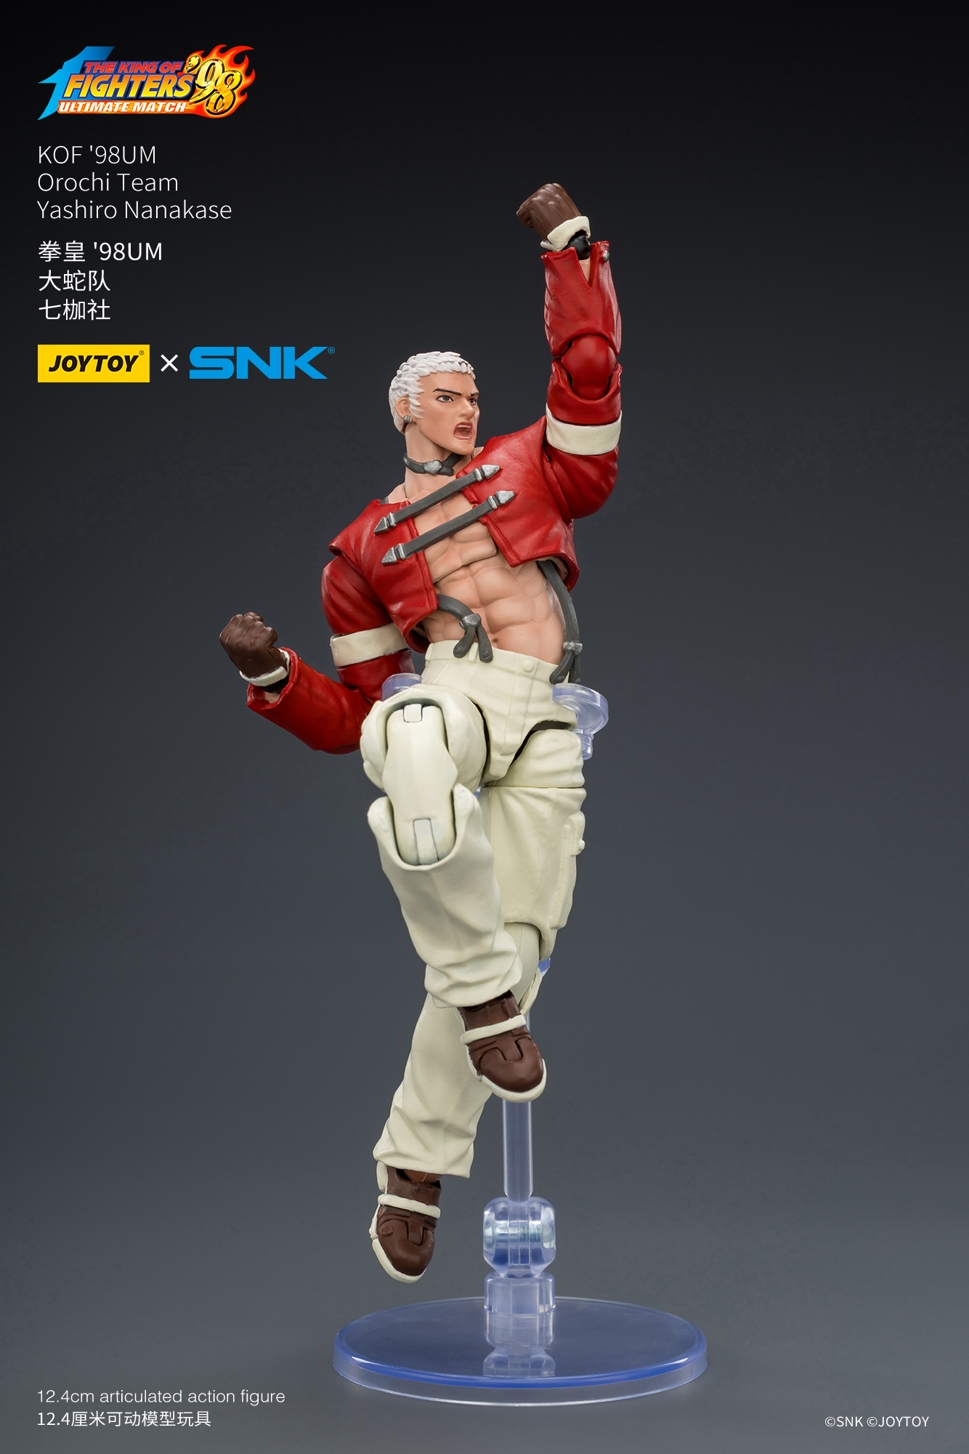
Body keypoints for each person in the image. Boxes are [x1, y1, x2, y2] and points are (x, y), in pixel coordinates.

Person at [219, 183, 622, 1282]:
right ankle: (481, 994)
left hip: (548, 708)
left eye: (473, 394)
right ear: (404, 410)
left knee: (520, 940)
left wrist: (569, 253)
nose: (466, 408)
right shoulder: (360, 549)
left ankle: (416, 1159)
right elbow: (354, 713)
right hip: (453, 690)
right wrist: (275, 676)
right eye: (447, 396)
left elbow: (589, 375)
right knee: (402, 744)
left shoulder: (533, 465)